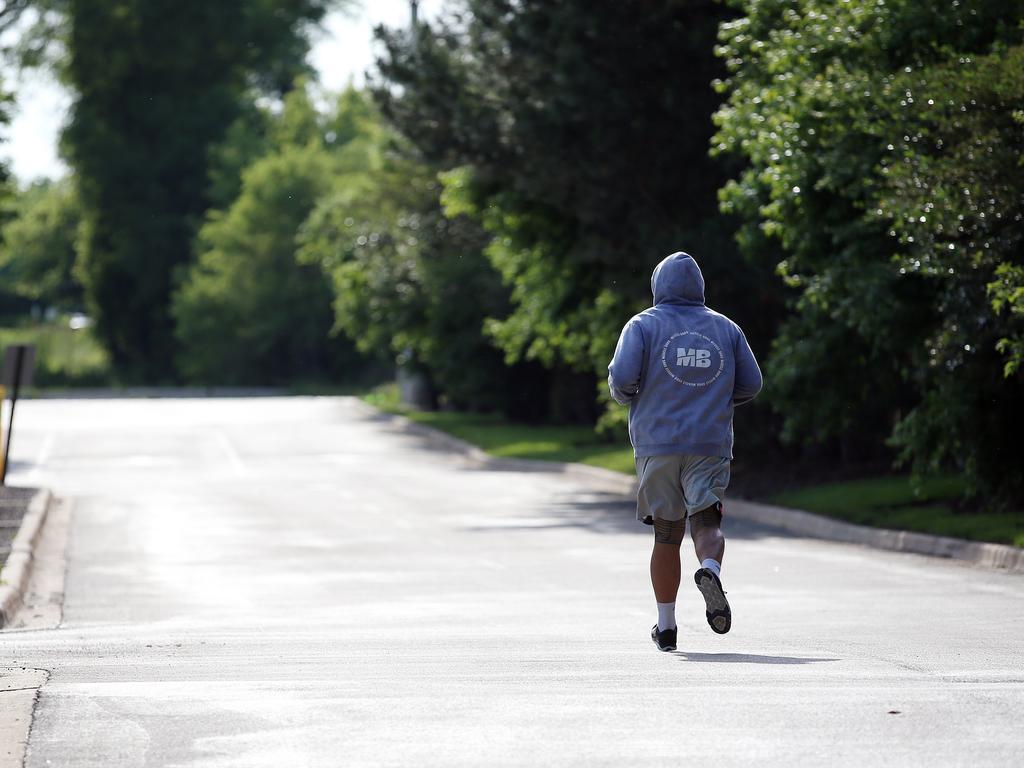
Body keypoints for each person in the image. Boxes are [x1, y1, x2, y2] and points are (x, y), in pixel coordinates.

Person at [608, 251, 762, 652]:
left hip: (657, 445)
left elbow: (623, 379)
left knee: (666, 534)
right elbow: (751, 384)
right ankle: (709, 568)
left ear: (658, 286)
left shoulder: (642, 325)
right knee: (707, 524)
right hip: (709, 444)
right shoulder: (726, 328)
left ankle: (667, 625)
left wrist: (629, 395)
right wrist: (716, 401)